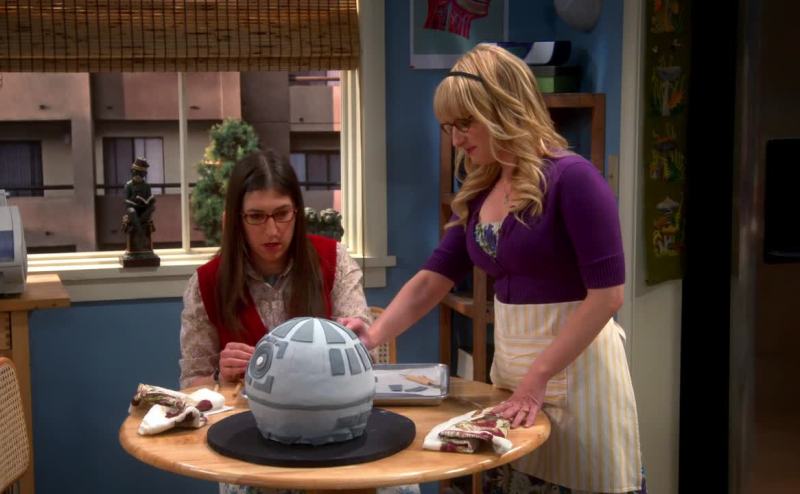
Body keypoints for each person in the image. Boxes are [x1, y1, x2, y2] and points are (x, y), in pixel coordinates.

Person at [351, 44, 645, 494]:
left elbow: (608, 296)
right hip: (512, 378)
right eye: (449, 127)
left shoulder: (574, 179)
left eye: (464, 123)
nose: (456, 140)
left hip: (578, 379)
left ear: (503, 107)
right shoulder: (482, 190)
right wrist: (372, 335)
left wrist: (539, 376)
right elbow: (433, 279)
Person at [179, 150, 418, 494]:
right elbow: (193, 386)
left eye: (282, 214)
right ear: (235, 220)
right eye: (256, 217)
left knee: (399, 487)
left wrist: (350, 343)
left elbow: (362, 355)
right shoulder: (206, 283)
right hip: (252, 443)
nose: (272, 230)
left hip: (336, 433)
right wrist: (220, 379)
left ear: (297, 212)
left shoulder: (334, 260)